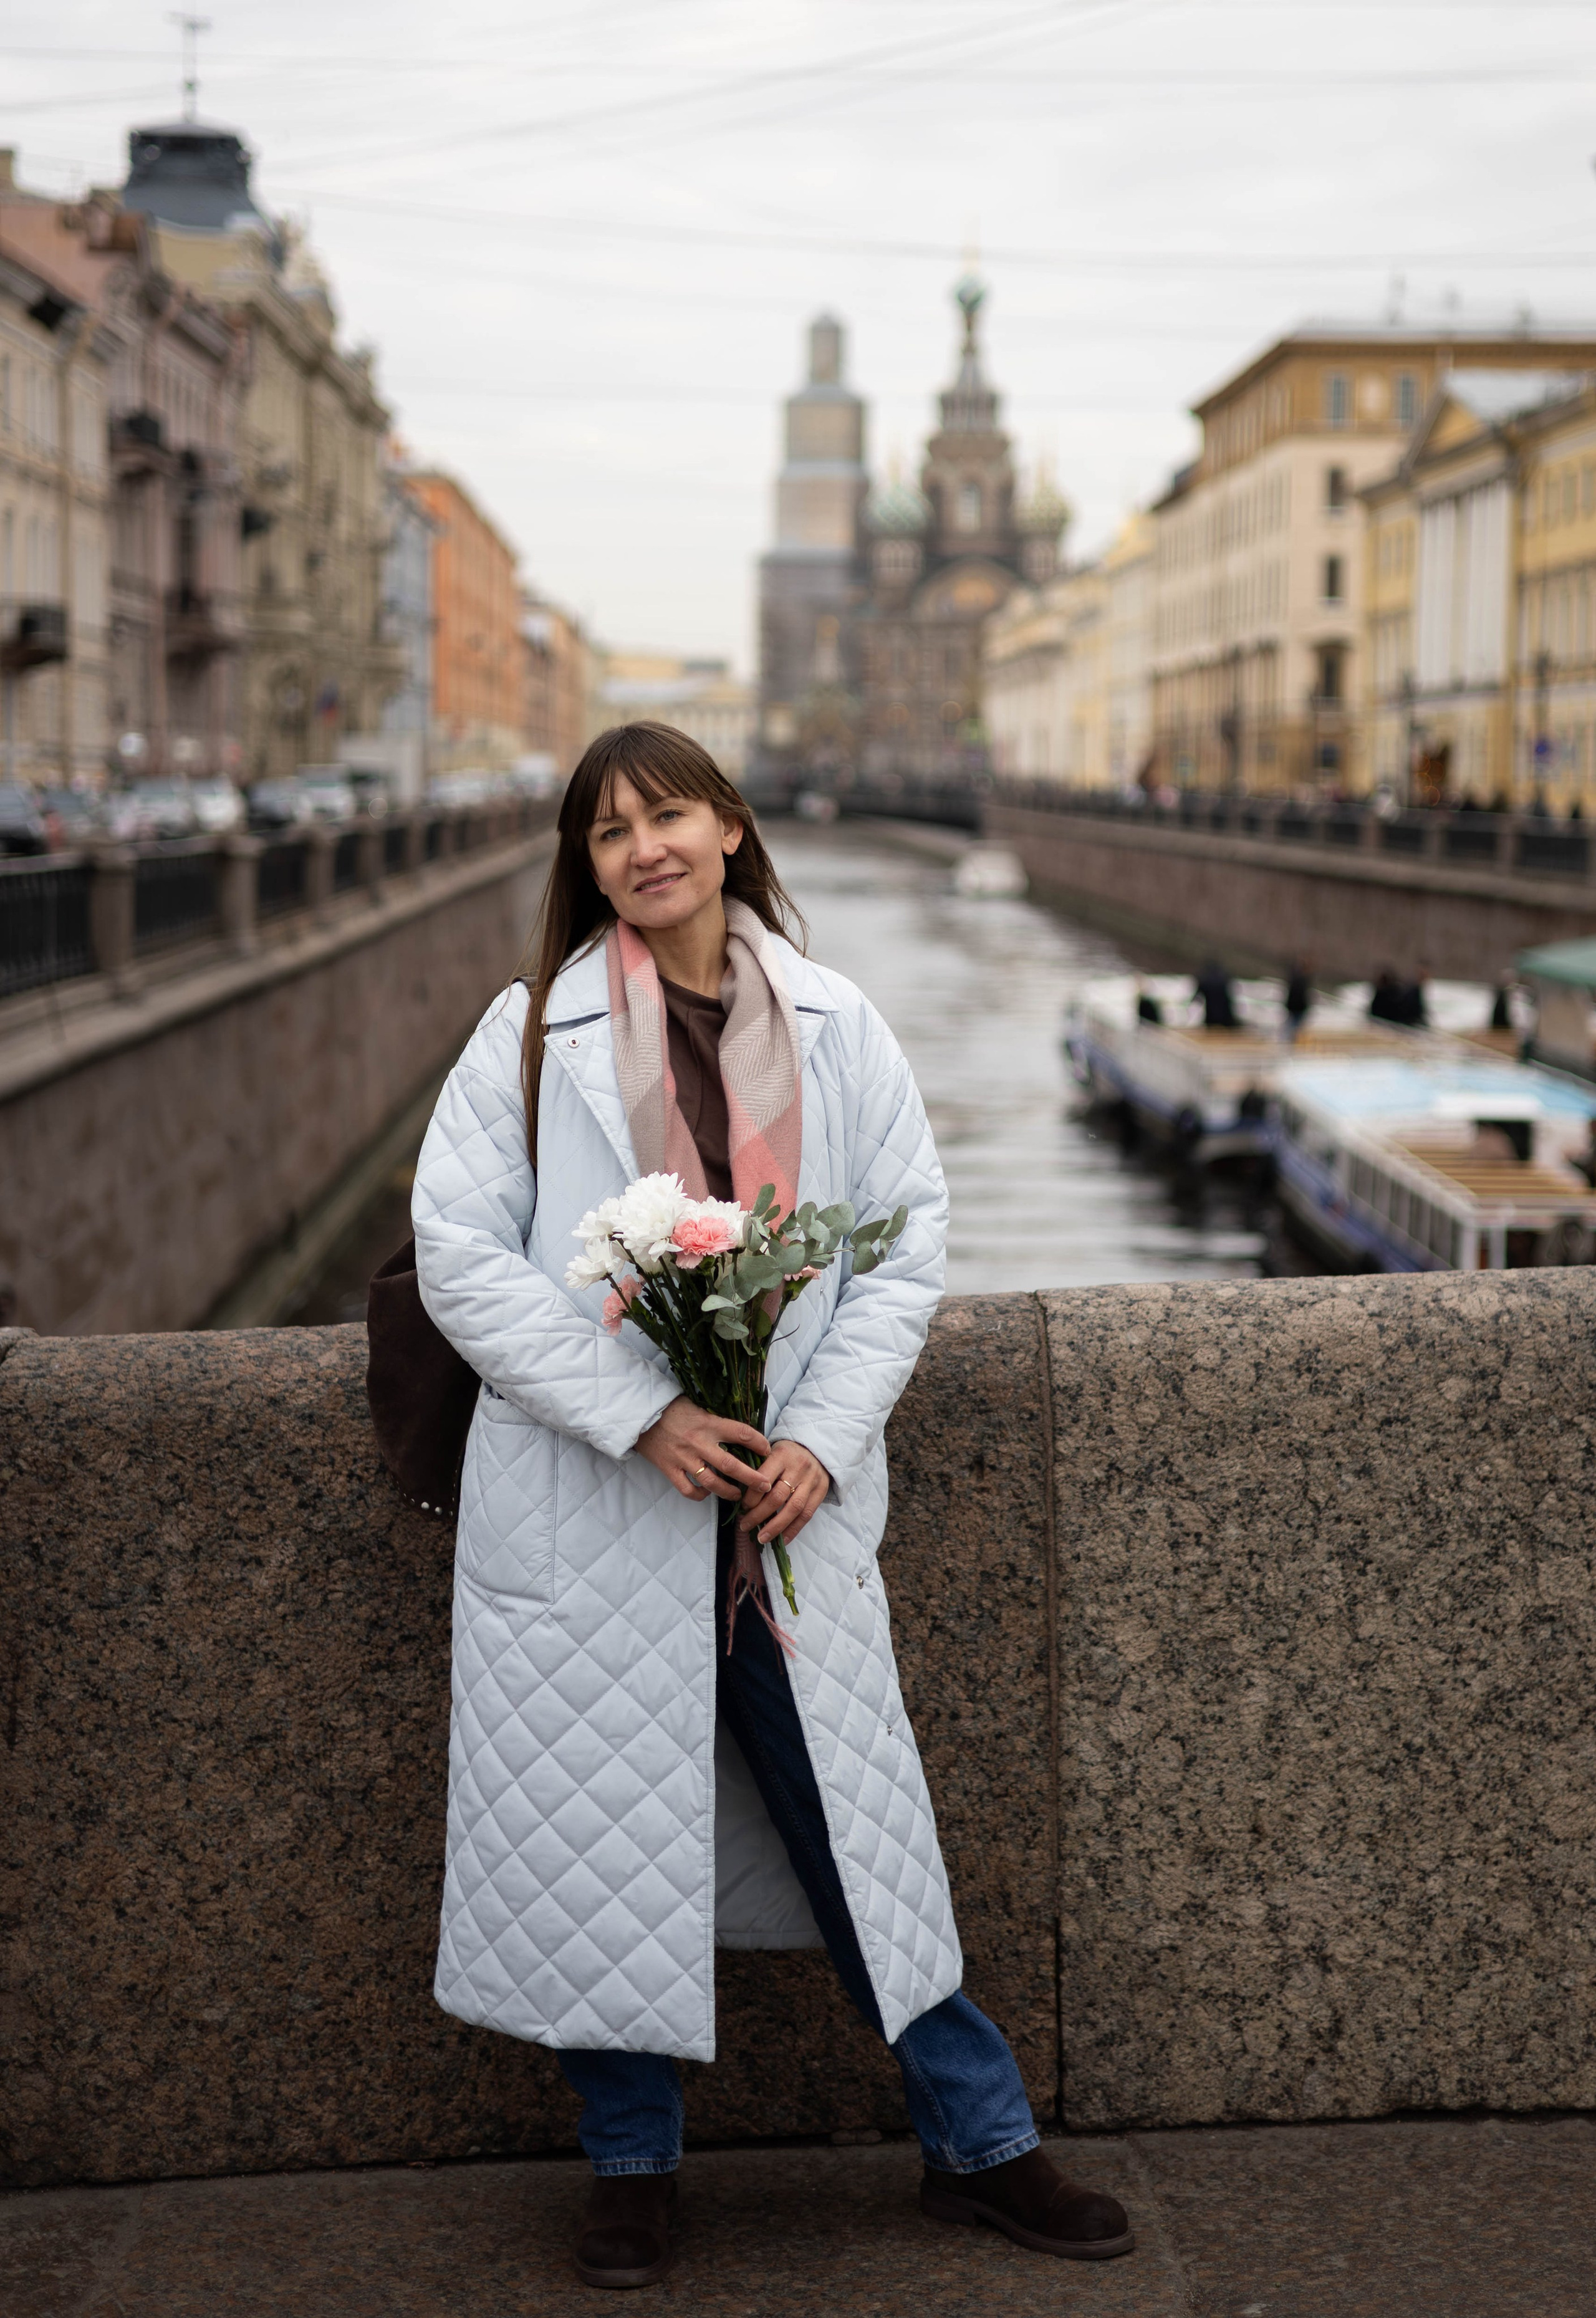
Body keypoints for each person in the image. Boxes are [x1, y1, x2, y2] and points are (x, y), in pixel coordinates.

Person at [411, 723, 1133, 2289]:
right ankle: (627, 2170)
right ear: (583, 865)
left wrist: (815, 1434)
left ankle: (982, 2145)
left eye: (665, 813)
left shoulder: (835, 1021)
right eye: (606, 832)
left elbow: (903, 1244)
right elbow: (461, 1255)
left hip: (777, 1517)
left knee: (859, 1833)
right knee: (599, 1838)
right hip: (600, 1506)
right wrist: (640, 1415)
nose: (641, 849)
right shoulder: (527, 1033)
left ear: (727, 828)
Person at [1194, 958, 1238, 1029]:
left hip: (1212, 1015)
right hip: (1225, 1015)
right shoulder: (1225, 977)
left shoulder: (1205, 979)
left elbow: (1197, 997)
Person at [1283, 960, 1312, 1041]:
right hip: (1297, 1008)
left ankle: (1291, 1040)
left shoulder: (1300, 979)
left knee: (1294, 1027)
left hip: (1296, 1008)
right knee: (1293, 1027)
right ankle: (1289, 1041)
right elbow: (1298, 996)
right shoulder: (1300, 980)